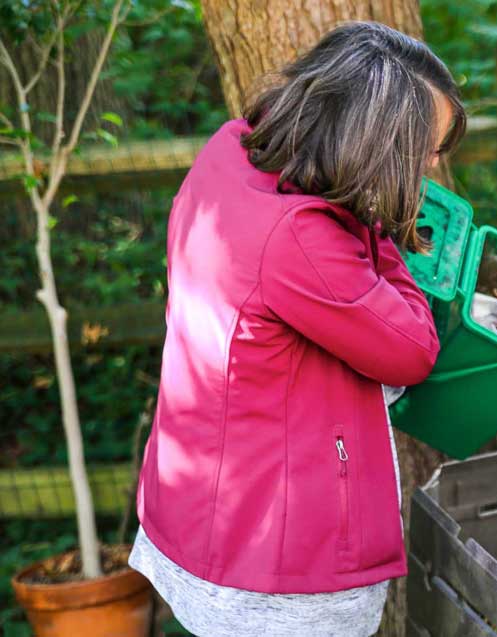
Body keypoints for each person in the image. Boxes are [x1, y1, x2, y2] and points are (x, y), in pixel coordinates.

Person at [127, 21, 466, 637]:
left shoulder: (233, 150)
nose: (430, 168)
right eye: (424, 150)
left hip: (207, 517)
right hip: (275, 570)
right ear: (374, 141)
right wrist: (387, 227)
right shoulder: (300, 239)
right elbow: (413, 348)